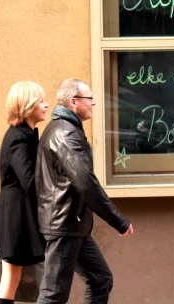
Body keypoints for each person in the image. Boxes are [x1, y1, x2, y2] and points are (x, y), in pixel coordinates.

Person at [35, 79, 133, 304]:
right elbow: (86, 183)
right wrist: (118, 221)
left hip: (73, 224)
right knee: (53, 295)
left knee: (100, 279)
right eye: (89, 98)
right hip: (64, 226)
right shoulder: (66, 134)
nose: (94, 103)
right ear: (73, 102)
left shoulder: (66, 129)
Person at [0, 81, 51, 304]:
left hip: (19, 212)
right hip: (17, 215)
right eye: (41, 101)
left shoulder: (25, 135)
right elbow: (30, 181)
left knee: (13, 279)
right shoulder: (18, 137)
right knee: (12, 280)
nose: (46, 105)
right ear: (27, 105)